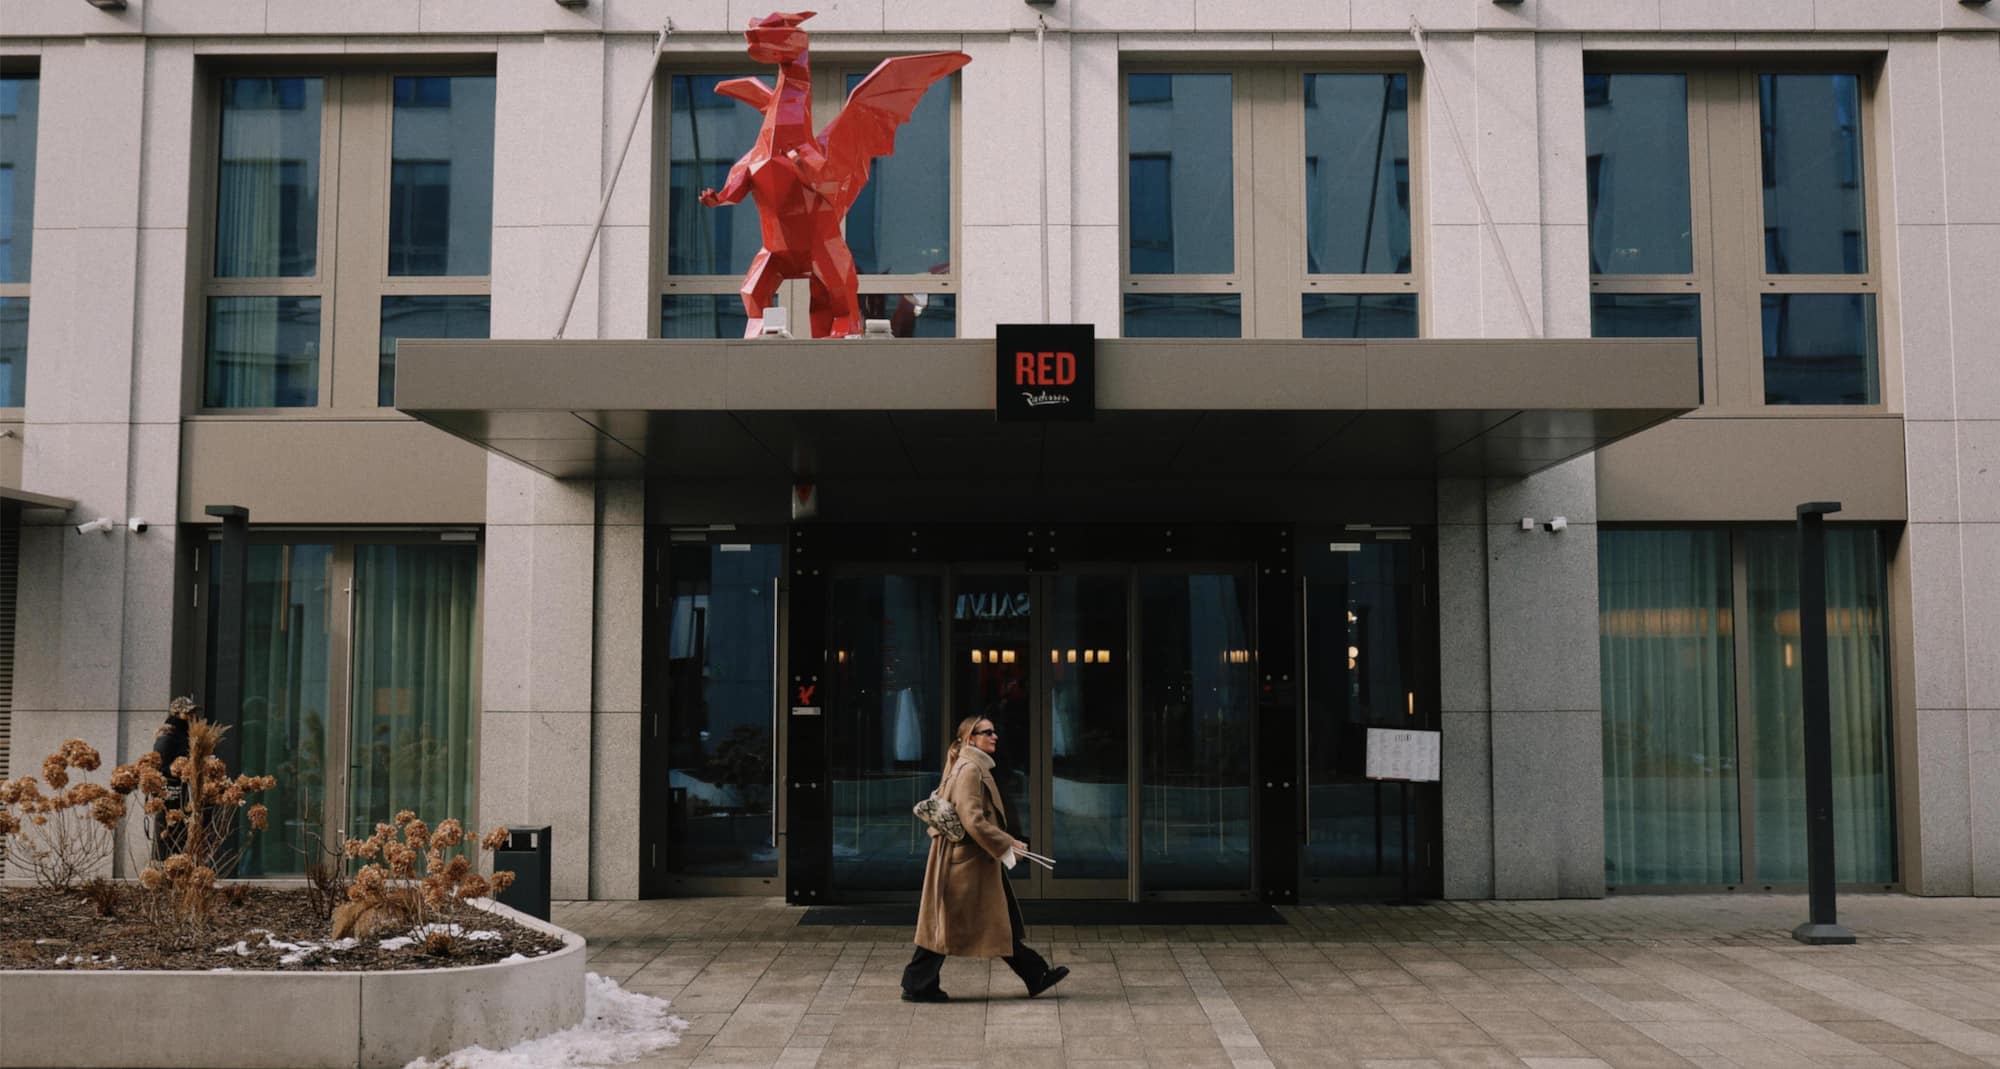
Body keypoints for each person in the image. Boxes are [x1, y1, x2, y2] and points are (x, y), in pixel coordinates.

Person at [901, 716, 1070, 1003]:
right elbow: (972, 819)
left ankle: (1035, 974)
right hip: (967, 863)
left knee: (986, 921)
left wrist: (1006, 843)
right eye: (987, 732)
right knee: (949, 923)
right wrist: (1006, 844)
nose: (994, 736)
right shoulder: (970, 770)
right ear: (970, 738)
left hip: (967, 860)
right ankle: (917, 984)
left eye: (995, 731)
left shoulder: (966, 764)